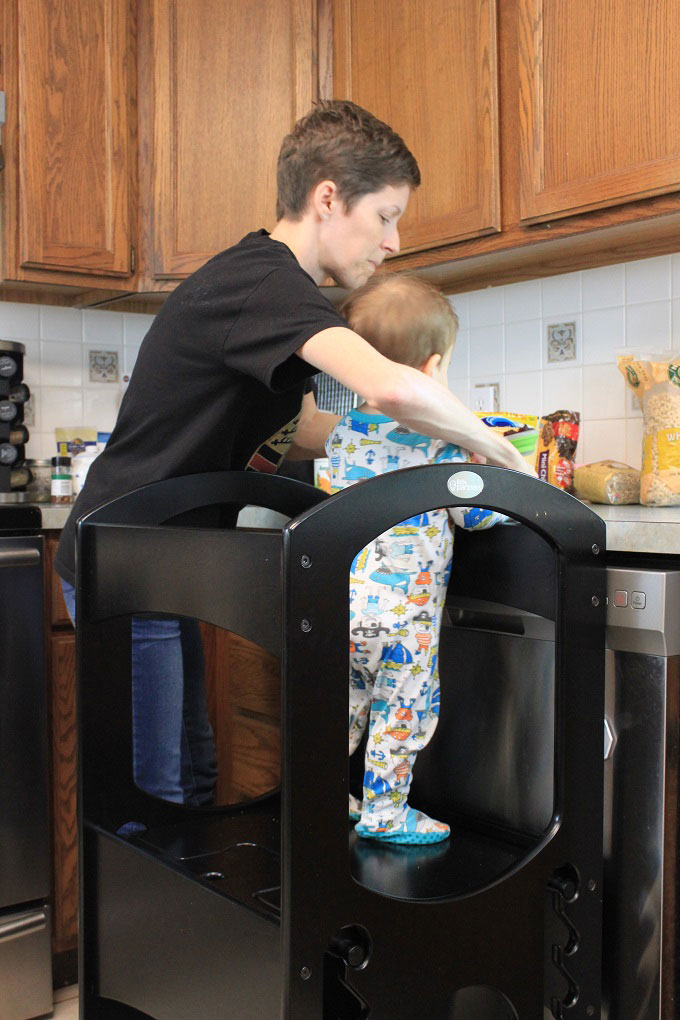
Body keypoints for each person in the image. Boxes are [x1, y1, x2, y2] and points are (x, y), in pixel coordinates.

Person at [55, 99, 530, 809]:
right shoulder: (264, 282)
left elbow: (312, 432)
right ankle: (149, 921)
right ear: (329, 197)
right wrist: (501, 454)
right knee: (154, 794)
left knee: (189, 776)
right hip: (126, 558)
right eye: (387, 215)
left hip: (164, 556)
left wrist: (397, 448)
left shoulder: (275, 292)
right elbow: (389, 385)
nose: (395, 241)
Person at [327, 274, 506, 845]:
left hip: (341, 607)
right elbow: (477, 517)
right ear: (430, 370)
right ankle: (386, 814)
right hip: (406, 618)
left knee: (345, 707)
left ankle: (327, 797)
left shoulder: (345, 434)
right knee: (402, 712)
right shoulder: (439, 443)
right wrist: (492, 471)